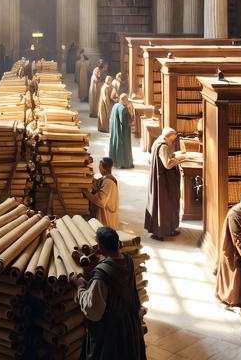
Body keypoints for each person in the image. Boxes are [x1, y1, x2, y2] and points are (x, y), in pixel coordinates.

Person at [75, 226, 146, 359]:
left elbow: (93, 310)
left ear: (101, 246)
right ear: (117, 243)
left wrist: (80, 288)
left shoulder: (102, 276)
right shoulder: (128, 260)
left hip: (111, 335)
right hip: (130, 326)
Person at [145, 127, 184, 240]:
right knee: (165, 205)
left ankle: (167, 229)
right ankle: (161, 232)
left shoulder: (157, 141)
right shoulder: (163, 146)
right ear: (168, 136)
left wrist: (173, 155)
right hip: (163, 181)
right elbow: (167, 164)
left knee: (161, 205)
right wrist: (180, 159)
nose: (173, 142)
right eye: (172, 139)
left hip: (159, 178)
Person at [83, 158, 120, 229]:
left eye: (100, 167)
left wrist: (86, 193)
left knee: (105, 231)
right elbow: (97, 183)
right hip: (105, 216)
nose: (99, 169)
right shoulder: (105, 179)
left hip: (106, 217)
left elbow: (101, 201)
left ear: (104, 169)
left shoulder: (108, 182)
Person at [108, 94, 134, 169]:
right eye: (127, 100)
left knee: (115, 144)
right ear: (124, 100)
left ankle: (115, 162)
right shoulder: (123, 109)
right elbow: (125, 122)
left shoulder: (115, 106)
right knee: (123, 147)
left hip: (115, 130)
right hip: (122, 132)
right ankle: (124, 163)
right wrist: (131, 113)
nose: (128, 101)